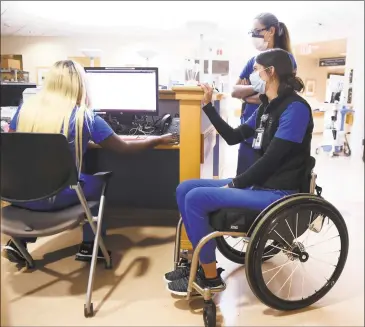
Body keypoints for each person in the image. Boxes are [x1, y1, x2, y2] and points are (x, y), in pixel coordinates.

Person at [164, 49, 313, 296]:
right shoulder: (267, 106)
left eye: (256, 70)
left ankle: (210, 278)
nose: (252, 76)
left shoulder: (295, 108)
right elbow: (234, 137)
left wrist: (235, 184)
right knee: (185, 188)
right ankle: (197, 263)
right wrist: (208, 106)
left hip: (279, 191)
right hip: (260, 185)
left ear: (270, 72)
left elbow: (271, 161)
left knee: (196, 198)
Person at [2, 59, 176, 265]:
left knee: (43, 179)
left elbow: (14, 146)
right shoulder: (83, 117)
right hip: (57, 197)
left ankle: (19, 241)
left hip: (19, 194)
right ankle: (91, 245)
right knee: (98, 182)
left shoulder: (24, 112)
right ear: (79, 85)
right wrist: (158, 139)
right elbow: (124, 148)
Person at [232, 12, 297, 175]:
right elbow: (234, 91)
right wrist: (262, 85)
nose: (254, 35)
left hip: (270, 132)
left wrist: (247, 93)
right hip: (248, 130)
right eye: (251, 32)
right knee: (242, 181)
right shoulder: (253, 61)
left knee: (261, 181)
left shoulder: (286, 60)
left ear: (271, 31)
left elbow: (281, 97)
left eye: (257, 31)